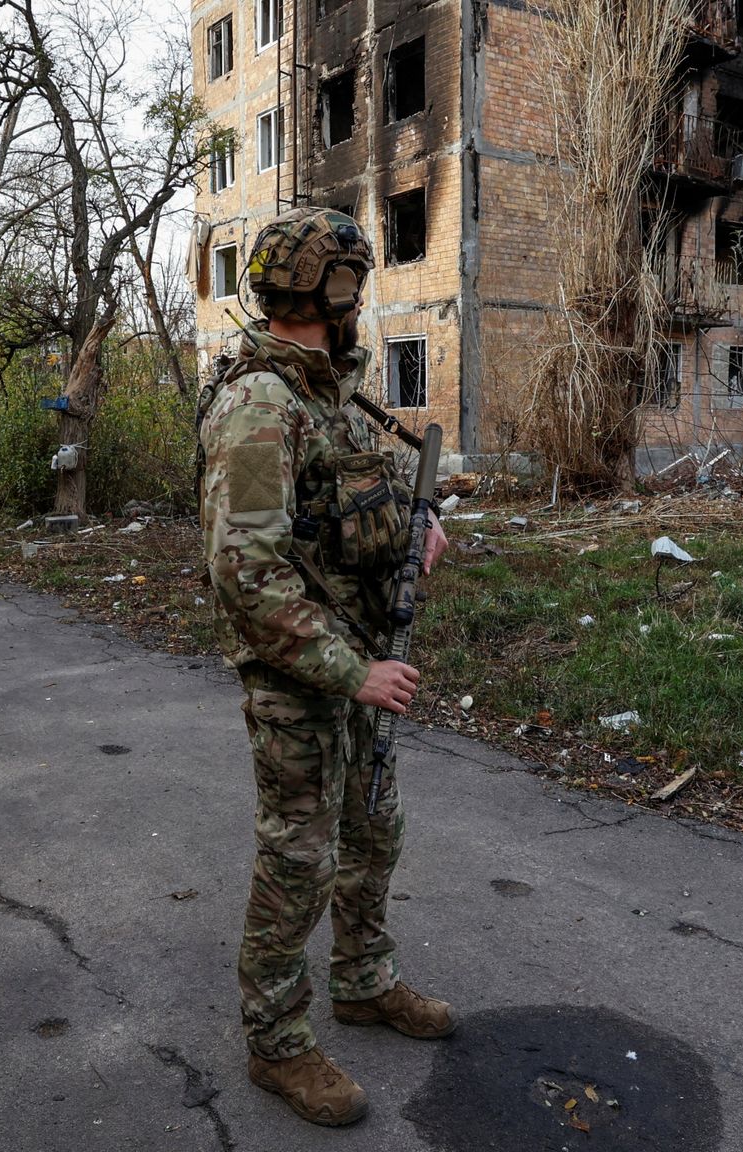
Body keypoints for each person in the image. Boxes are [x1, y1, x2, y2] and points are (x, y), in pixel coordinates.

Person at [196, 206, 453, 1127]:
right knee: (299, 861)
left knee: (373, 834)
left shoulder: (322, 391)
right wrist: (352, 672)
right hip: (303, 677)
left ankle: (363, 980)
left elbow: (352, 495)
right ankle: (276, 1043)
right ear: (335, 290)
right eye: (354, 284)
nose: (359, 300)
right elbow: (246, 572)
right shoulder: (260, 404)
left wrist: (416, 530)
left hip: (355, 660)